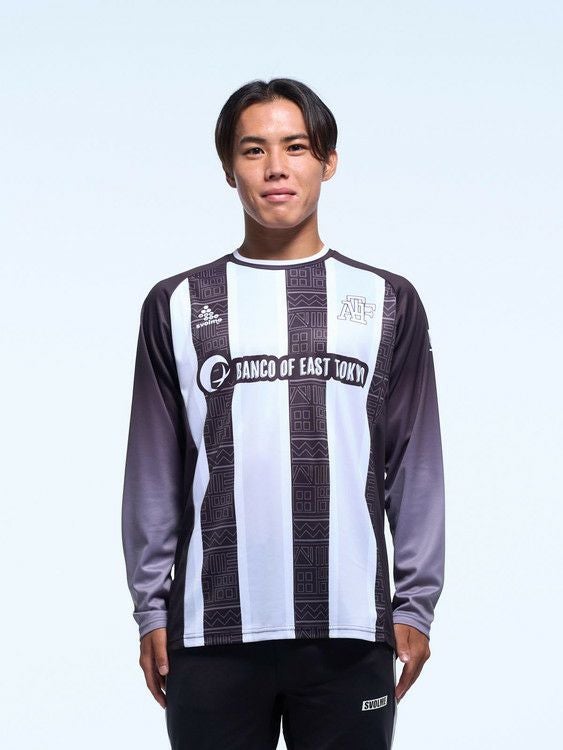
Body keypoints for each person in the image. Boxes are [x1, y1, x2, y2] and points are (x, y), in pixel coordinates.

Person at [121, 77, 445, 750]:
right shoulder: (176, 304)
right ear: (228, 168)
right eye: (253, 150)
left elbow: (414, 463)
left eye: (295, 147)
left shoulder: (387, 301)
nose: (275, 167)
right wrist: (151, 608)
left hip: (349, 630)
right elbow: (153, 473)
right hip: (209, 633)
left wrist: (414, 605)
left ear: (328, 161)